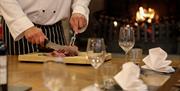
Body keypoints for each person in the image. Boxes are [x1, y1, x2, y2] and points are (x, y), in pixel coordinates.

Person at [0, 0, 91, 55]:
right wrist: (24, 25)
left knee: (58, 79)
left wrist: (80, 8)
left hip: (55, 28)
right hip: (20, 29)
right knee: (22, 80)